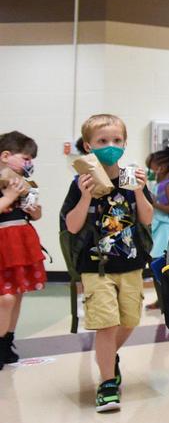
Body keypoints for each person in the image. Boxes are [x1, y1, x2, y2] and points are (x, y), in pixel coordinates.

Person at [61, 114, 153, 412]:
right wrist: (85, 196)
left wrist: (139, 190)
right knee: (106, 325)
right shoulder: (81, 182)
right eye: (102, 141)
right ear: (89, 146)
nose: (110, 146)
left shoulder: (131, 177)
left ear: (125, 143)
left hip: (132, 265)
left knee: (129, 322)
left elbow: (147, 218)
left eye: (116, 140)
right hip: (95, 267)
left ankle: (107, 358)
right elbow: (72, 226)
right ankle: (107, 384)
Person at [0, 131, 46, 370]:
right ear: (6, 156)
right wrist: (8, 196)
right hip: (3, 244)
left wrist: (34, 208)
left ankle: (8, 341)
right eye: (25, 158)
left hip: (21, 241)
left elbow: (36, 215)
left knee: (17, 294)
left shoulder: (24, 183)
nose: (29, 163)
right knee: (5, 298)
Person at [144, 148, 169, 309]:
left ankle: (166, 301)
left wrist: (155, 204)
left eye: (152, 166)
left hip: (164, 229)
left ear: (163, 166)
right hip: (157, 228)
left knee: (159, 266)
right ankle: (162, 301)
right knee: (155, 266)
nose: (150, 170)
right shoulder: (158, 184)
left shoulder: (167, 185)